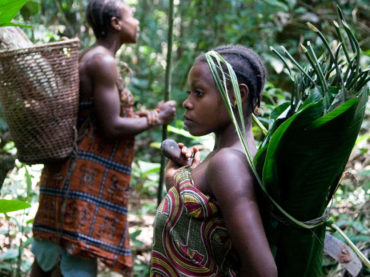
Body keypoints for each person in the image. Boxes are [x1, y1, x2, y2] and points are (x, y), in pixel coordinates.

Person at [30, 0, 176, 276]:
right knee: (67, 264)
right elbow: (111, 126)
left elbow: (95, 118)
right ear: (115, 24)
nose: (138, 22)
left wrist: (146, 114)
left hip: (69, 178)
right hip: (79, 182)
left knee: (49, 263)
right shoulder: (102, 60)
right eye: (132, 15)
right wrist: (157, 118)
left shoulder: (94, 56)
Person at [150, 45, 277, 276]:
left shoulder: (227, 163)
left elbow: (264, 271)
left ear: (235, 95)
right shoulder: (223, 158)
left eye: (198, 93)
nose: (187, 102)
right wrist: (179, 179)